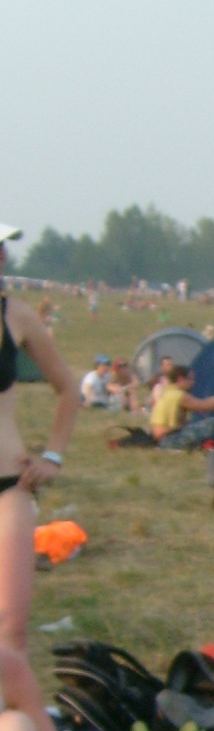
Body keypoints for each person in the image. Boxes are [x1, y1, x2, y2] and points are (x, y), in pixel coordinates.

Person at [0, 230, 80, 654]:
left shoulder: (16, 316)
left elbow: (68, 388)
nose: (2, 256)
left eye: (2, 249)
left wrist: (52, 456)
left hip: (8, 485)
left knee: (11, 633)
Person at [154, 362, 214, 449]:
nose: (193, 383)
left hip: (163, 439)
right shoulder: (179, 396)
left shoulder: (167, 392)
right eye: (190, 379)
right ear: (180, 379)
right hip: (170, 440)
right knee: (212, 424)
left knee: (199, 425)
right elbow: (207, 406)